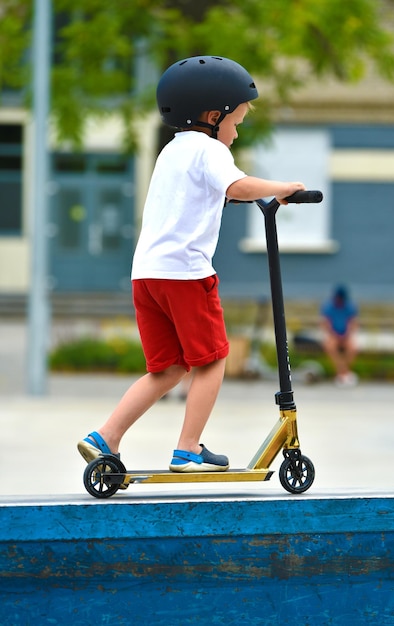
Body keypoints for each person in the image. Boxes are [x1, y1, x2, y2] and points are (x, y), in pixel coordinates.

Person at [78, 55, 305, 473]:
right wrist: (283, 188)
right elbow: (236, 184)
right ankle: (187, 449)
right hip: (186, 274)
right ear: (212, 115)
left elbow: (208, 195)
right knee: (214, 358)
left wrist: (233, 196)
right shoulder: (208, 149)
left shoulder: (173, 152)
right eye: (235, 122)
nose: (236, 133)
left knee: (168, 368)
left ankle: (105, 437)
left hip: (147, 275)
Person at [320, 285, 359, 386]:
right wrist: (334, 334)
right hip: (333, 334)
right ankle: (343, 373)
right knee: (330, 347)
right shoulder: (329, 306)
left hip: (346, 335)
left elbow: (352, 323)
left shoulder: (349, 306)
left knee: (353, 348)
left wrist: (347, 334)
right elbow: (326, 323)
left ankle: (342, 373)